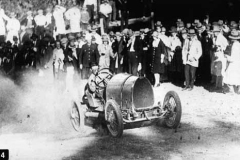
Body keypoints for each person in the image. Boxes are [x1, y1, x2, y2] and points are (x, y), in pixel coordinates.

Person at [211, 25, 228, 90]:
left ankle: (220, 85)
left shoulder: (223, 38)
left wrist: (221, 48)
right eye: (214, 32)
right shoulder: (214, 38)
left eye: (216, 32)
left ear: (218, 32)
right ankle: (217, 84)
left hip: (221, 56)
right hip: (216, 55)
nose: (214, 33)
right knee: (216, 70)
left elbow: (226, 47)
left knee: (221, 70)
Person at [223, 30, 240, 94]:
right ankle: (238, 90)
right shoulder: (238, 45)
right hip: (238, 63)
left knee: (229, 76)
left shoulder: (234, 46)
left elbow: (233, 57)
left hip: (233, 63)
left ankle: (231, 91)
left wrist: (227, 56)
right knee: (237, 76)